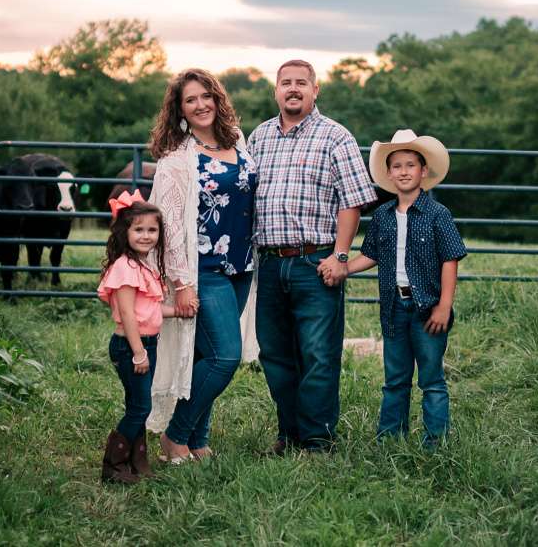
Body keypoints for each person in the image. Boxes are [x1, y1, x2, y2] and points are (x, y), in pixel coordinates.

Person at [250, 59, 376, 454]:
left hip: (316, 262)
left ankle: (317, 439)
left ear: (314, 91)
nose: (293, 89)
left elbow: (352, 202)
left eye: (301, 83)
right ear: (275, 91)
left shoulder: (336, 137)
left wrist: (341, 256)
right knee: (274, 354)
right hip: (270, 262)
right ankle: (288, 433)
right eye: (286, 83)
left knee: (318, 354)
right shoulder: (259, 137)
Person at [146, 68, 260, 465]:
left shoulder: (239, 144)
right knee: (225, 356)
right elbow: (169, 228)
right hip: (203, 270)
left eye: (206, 96)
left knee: (203, 356)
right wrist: (184, 283)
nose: (200, 105)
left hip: (242, 265)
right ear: (180, 110)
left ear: (217, 98)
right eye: (190, 100)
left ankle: (199, 440)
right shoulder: (176, 162)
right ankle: (175, 436)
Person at [345, 130, 467, 447]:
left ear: (423, 171)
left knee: (432, 380)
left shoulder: (438, 214)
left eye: (410, 165)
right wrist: (342, 268)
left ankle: (435, 443)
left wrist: (444, 306)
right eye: (397, 166)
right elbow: (370, 255)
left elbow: (451, 259)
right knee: (395, 380)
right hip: (394, 308)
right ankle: (389, 442)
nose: (404, 171)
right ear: (388, 173)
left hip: (427, 308)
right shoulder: (383, 216)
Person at [96, 191, 176, 484]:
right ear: (124, 231)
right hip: (132, 346)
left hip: (145, 344)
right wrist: (139, 353)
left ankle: (138, 460)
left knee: (137, 404)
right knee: (142, 406)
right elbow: (129, 315)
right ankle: (112, 466)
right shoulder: (126, 268)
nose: (146, 235)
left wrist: (178, 311)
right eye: (138, 229)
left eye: (152, 230)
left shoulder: (144, 265)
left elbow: (150, 310)